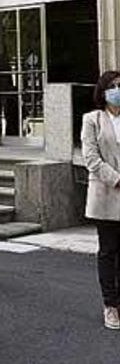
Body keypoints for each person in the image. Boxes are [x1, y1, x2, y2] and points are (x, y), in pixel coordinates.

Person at [81, 70, 120, 330]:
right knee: (108, 252)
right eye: (113, 86)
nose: (118, 90)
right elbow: (91, 157)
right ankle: (110, 305)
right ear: (103, 91)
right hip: (106, 193)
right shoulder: (92, 119)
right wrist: (116, 178)